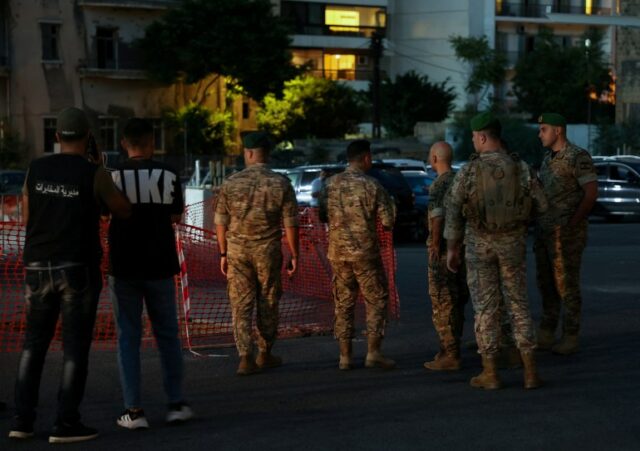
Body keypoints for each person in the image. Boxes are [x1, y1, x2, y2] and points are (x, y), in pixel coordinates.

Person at [10, 107, 131, 443]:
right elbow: (122, 210)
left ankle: (22, 420)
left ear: (57, 137)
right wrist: (99, 171)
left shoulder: (35, 168)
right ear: (88, 137)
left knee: (33, 345)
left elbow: (26, 216)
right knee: (74, 349)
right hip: (77, 267)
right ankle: (65, 422)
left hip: (37, 266)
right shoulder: (93, 173)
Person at [445, 112, 547, 390]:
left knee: (485, 308)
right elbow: (542, 205)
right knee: (518, 304)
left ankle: (490, 373)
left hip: (479, 246)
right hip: (513, 244)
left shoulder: (469, 170)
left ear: (481, 137)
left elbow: (453, 211)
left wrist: (452, 249)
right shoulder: (521, 167)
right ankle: (530, 372)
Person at [107, 118, 192, 430]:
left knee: (128, 338)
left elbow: (105, 212)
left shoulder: (113, 176)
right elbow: (175, 214)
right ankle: (176, 404)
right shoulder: (168, 174)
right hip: (160, 263)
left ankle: (134, 410)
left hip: (124, 265)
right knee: (168, 335)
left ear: (124, 144)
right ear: (152, 142)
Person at [214, 131, 299, 375]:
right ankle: (265, 353)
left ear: (249, 153)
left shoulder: (231, 182)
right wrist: (295, 255)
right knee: (268, 301)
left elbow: (220, 221)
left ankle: (244, 357)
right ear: (267, 154)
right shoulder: (281, 183)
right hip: (268, 251)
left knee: (240, 304)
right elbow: (291, 223)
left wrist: (222, 253)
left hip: (237, 252)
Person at [319, 139, 396, 370]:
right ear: (365, 158)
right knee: (376, 300)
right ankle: (373, 352)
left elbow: (323, 215)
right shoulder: (373, 186)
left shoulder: (329, 184)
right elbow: (388, 221)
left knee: (343, 303)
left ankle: (345, 357)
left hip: (338, 253)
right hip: (365, 254)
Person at [535, 113, 598, 355]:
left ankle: (570, 335)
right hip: (545, 232)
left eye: (543, 129)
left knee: (567, 285)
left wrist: (573, 223)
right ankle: (547, 332)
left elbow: (591, 193)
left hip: (567, 234)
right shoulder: (548, 158)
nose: (539, 134)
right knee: (546, 284)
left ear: (558, 131)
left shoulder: (577, 157)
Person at [423, 141, 469, 371]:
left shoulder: (439, 185)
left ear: (434, 159)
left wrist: (434, 243)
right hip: (464, 248)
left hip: (443, 251)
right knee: (458, 300)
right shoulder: (461, 179)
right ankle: (449, 348)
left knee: (443, 302)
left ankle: (451, 354)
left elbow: (438, 216)